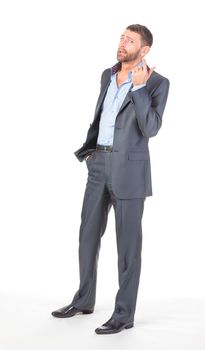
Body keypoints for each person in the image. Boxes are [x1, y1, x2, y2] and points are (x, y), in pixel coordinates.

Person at [51, 24, 170, 335]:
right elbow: (103, 115)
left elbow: (151, 128)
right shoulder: (108, 74)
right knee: (87, 235)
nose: (122, 43)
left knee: (128, 247)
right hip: (98, 164)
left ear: (144, 50)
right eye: (121, 37)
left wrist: (140, 89)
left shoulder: (158, 83)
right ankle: (83, 299)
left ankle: (123, 314)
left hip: (129, 171)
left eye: (130, 41)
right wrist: (92, 152)